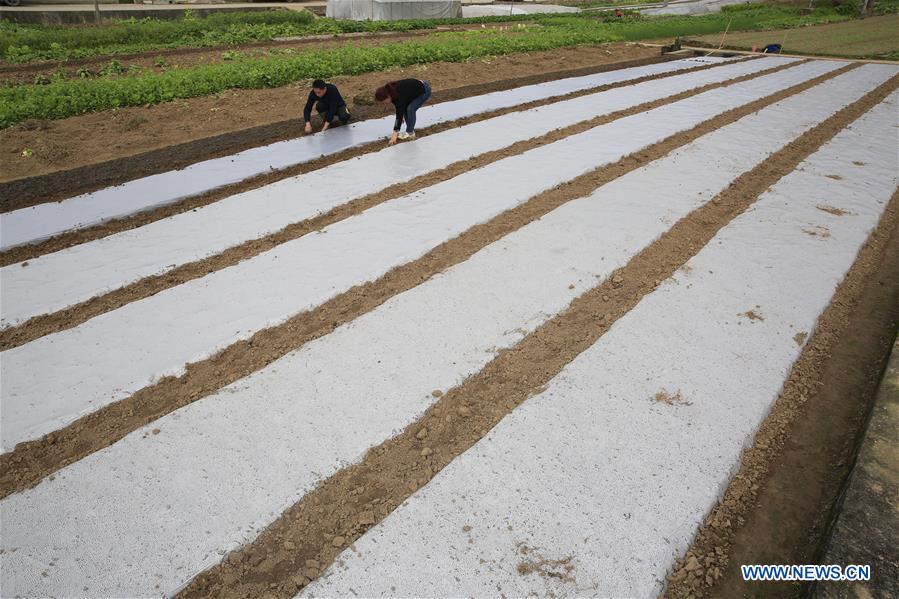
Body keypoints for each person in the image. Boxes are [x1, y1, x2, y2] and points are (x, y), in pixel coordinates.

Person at [374, 79, 432, 146]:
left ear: (388, 97)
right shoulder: (391, 92)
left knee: (410, 109)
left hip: (424, 89)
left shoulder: (397, 95)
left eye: (384, 102)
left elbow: (398, 115)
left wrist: (394, 134)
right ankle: (410, 131)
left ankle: (410, 133)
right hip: (412, 92)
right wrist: (401, 115)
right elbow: (400, 109)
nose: (384, 104)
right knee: (405, 110)